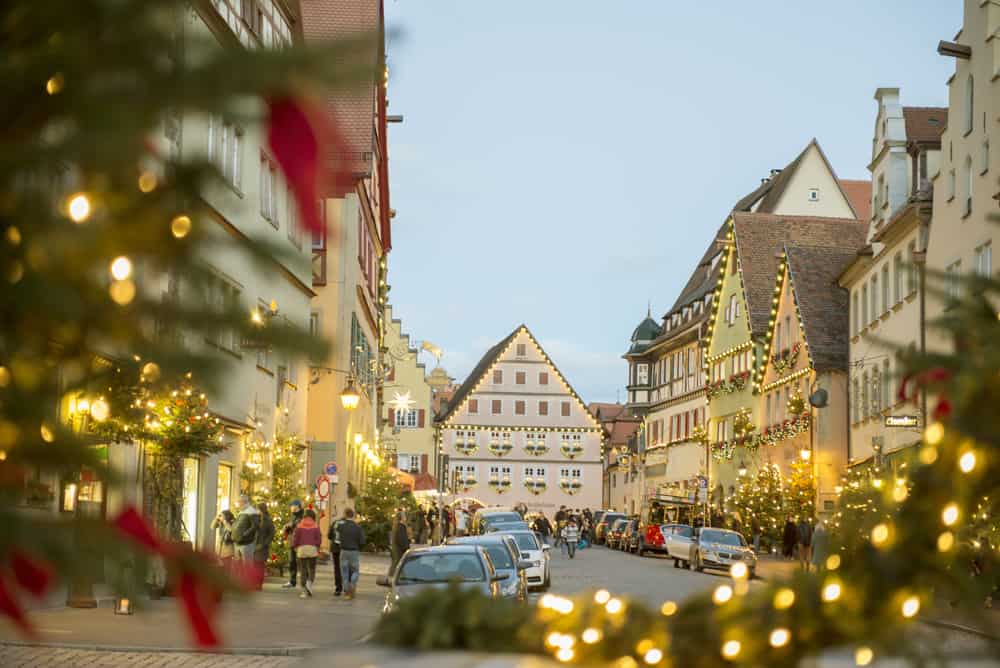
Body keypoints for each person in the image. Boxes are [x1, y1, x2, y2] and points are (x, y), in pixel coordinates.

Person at [290, 509, 321, 598]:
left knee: (303, 570)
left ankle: (303, 591)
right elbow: (319, 539)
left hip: (301, 549)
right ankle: (309, 583)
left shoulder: (299, 525)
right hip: (312, 549)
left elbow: (295, 538)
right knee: (312, 569)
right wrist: (317, 547)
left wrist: (295, 547)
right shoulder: (315, 526)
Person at [338, 507, 365, 600]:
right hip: (354, 551)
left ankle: (346, 590)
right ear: (353, 515)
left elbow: (336, 538)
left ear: (345, 515)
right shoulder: (358, 527)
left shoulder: (341, 526)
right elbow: (362, 541)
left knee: (344, 572)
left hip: (344, 551)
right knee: (355, 570)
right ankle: (352, 583)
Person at [281, 500, 305, 589]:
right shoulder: (293, 516)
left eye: (292, 506)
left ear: (297, 506)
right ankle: (292, 581)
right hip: (291, 541)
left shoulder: (302, 515)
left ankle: (304, 582)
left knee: (301, 563)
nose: (291, 508)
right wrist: (286, 527)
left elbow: (299, 526)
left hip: (299, 543)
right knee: (292, 562)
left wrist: (291, 525)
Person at [231, 495, 260, 563]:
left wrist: (244, 534)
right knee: (238, 565)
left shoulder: (251, 511)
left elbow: (255, 526)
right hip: (238, 542)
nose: (238, 504)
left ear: (244, 502)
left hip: (246, 543)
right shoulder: (242, 511)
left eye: (239, 502)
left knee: (247, 564)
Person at [254, 503, 276, 590]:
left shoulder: (268, 520)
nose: (256, 511)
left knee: (260, 566)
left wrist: (265, 544)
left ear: (261, 510)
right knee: (255, 565)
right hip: (254, 545)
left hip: (262, 546)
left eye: (257, 509)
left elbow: (271, 533)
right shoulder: (256, 519)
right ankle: (255, 583)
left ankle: (259, 585)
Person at [327, 513, 344, 596]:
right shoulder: (347, 524)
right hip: (345, 548)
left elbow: (329, 535)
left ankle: (338, 588)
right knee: (345, 567)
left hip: (335, 548)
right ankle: (346, 587)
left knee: (337, 568)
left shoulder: (335, 523)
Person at [390, 510, 410, 575]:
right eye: (404, 515)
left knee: (395, 563)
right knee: (397, 564)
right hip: (399, 550)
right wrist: (407, 547)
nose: (405, 517)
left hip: (396, 549)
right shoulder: (400, 526)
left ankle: (392, 576)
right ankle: (392, 577)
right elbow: (402, 539)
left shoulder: (396, 526)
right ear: (401, 517)